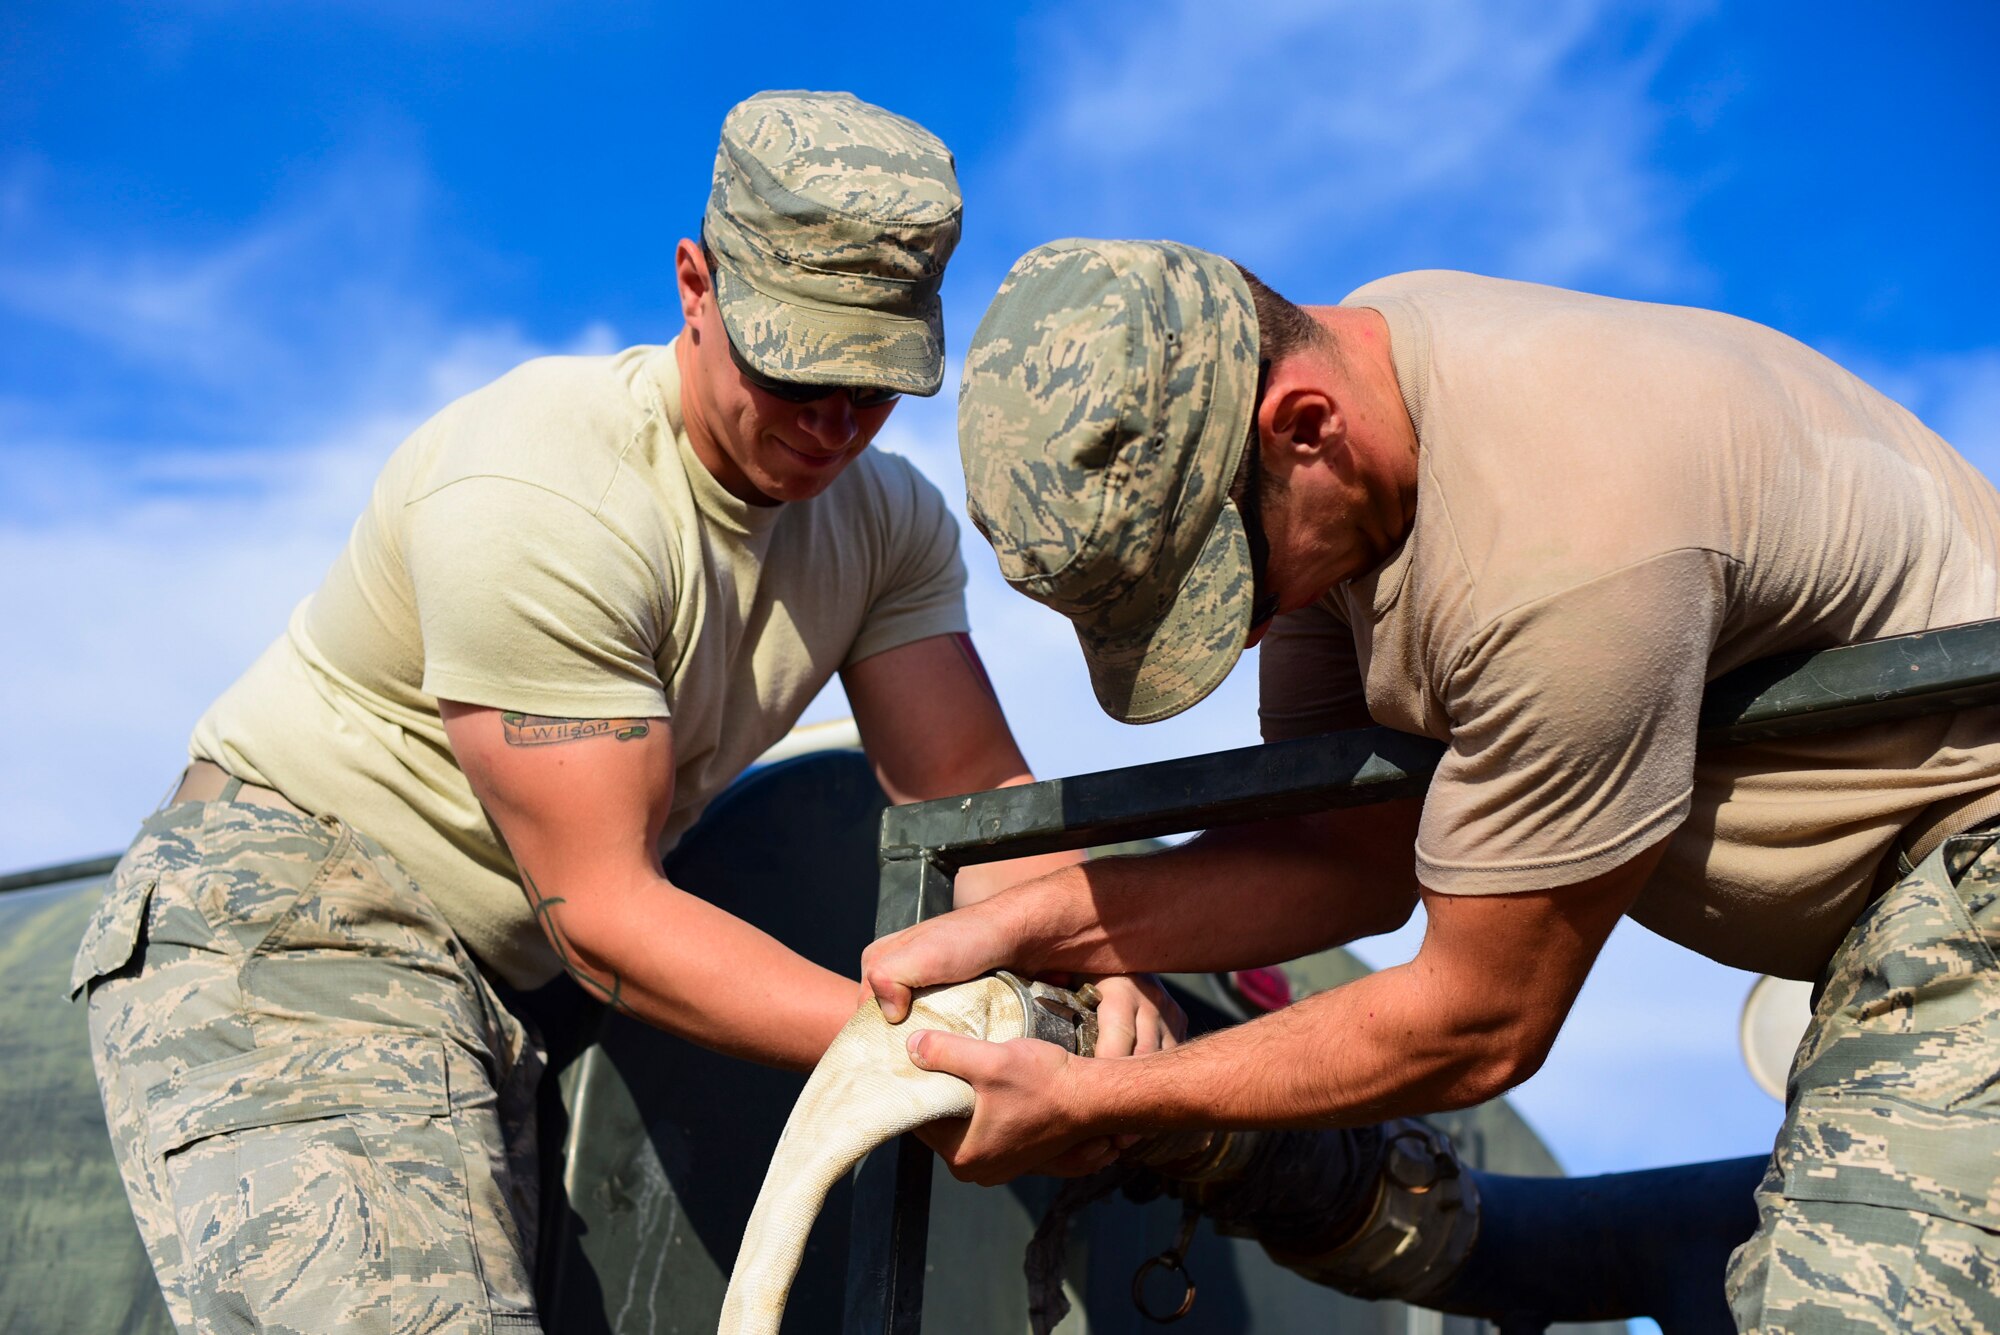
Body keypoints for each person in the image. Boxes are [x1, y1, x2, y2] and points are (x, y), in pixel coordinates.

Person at [71, 99, 1175, 1335]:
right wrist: (931, 1059)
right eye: (797, 367)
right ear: (694, 284)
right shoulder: (541, 493)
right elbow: (604, 913)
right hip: (302, 928)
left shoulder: (885, 525)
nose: (832, 422)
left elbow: (973, 814)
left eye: (874, 384)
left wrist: (1109, 968)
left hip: (517, 987)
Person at [860, 239, 2000, 1331]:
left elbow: (1478, 1024)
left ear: (1303, 429)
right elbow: (1337, 855)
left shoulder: (1564, 559)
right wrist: (1023, 926)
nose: (1246, 637)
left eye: (1222, 586)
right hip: (1889, 901)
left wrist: (1099, 1103)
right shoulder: (1363, 390)